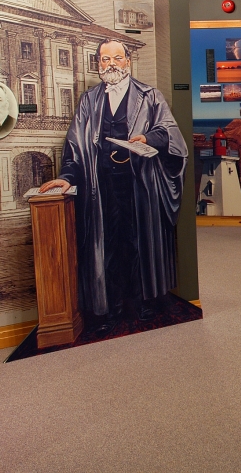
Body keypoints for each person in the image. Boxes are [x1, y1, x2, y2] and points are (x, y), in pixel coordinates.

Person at [39, 39, 187, 329]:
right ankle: (112, 307)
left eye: (117, 58)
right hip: (101, 187)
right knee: (107, 246)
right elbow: (75, 146)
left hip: (140, 185)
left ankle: (143, 303)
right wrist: (66, 177)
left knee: (139, 243)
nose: (111, 65)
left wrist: (148, 138)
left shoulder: (150, 95)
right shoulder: (89, 100)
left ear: (128, 61)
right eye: (105, 60)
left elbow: (169, 132)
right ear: (98, 65)